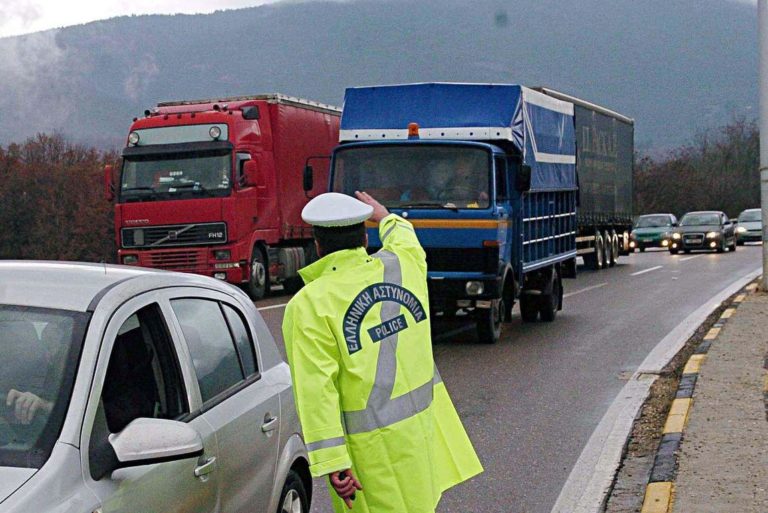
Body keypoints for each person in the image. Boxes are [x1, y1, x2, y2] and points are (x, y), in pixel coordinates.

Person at [282, 191, 483, 512]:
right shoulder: (404, 266)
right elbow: (406, 237)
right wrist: (384, 215)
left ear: (317, 245)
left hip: (371, 456)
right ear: (364, 236)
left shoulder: (309, 305)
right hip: (422, 438)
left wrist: (334, 461)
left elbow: (316, 390)